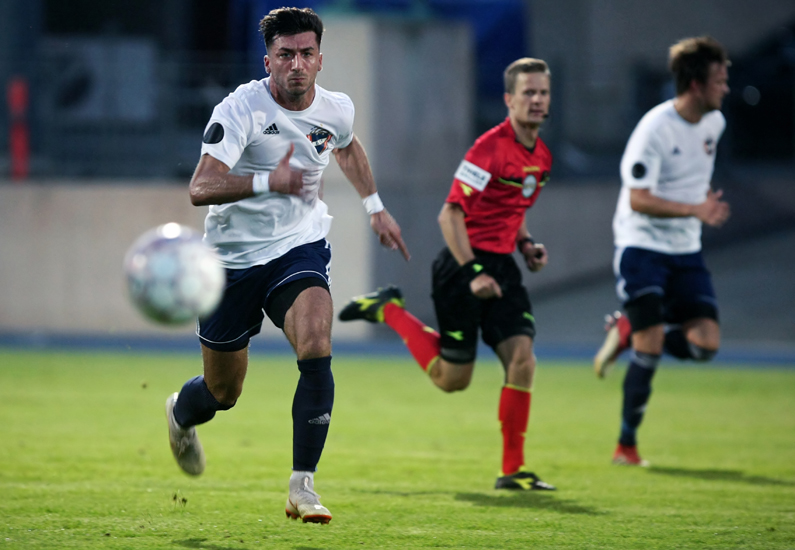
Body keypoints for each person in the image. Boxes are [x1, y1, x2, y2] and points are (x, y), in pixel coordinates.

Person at [164, 7, 410, 525]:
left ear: (320, 59)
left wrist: (375, 207)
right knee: (222, 393)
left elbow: (345, 148)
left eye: (305, 54)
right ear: (268, 61)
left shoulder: (336, 108)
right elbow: (199, 188)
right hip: (231, 261)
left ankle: (303, 486)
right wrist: (266, 182)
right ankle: (180, 415)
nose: (295, 64)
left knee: (317, 341)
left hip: (297, 246)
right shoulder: (240, 110)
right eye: (285, 55)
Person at [339, 58, 556, 491]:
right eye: (528, 93)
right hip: (462, 267)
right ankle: (391, 311)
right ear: (509, 99)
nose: (537, 100)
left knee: (522, 360)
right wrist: (473, 270)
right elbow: (449, 214)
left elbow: (512, 210)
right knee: (452, 380)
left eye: (543, 93)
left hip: (502, 269)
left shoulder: (542, 156)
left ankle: (512, 471)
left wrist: (526, 244)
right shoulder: (488, 149)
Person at [593, 36, 731, 466]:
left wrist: (699, 200)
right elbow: (638, 198)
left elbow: (692, 172)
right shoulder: (653, 130)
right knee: (651, 348)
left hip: (686, 249)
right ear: (695, 85)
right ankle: (625, 446)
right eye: (719, 80)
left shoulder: (714, 123)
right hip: (642, 246)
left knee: (706, 345)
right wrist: (696, 208)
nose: (725, 88)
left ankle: (628, 331)